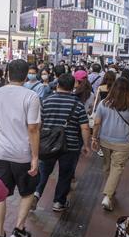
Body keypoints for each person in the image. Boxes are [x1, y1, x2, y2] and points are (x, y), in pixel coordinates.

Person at [0, 59, 40, 237]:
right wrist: (35, 157)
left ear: (8, 73)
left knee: (0, 194)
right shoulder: (31, 96)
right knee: (27, 192)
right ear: (27, 76)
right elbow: (33, 129)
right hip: (23, 154)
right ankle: (19, 229)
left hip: (1, 153)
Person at [32, 73, 91, 212]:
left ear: (57, 85)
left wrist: (36, 142)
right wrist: (86, 145)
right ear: (73, 87)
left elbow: (37, 124)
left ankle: (35, 194)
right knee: (65, 174)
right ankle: (59, 202)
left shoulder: (46, 101)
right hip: (70, 146)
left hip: (47, 144)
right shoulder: (78, 104)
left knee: (43, 171)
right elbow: (85, 127)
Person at [91, 78, 129, 211]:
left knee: (107, 167)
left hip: (105, 141)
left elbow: (97, 123)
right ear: (128, 91)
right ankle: (108, 195)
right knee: (117, 167)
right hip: (123, 143)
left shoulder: (103, 103)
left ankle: (110, 191)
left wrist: (94, 138)